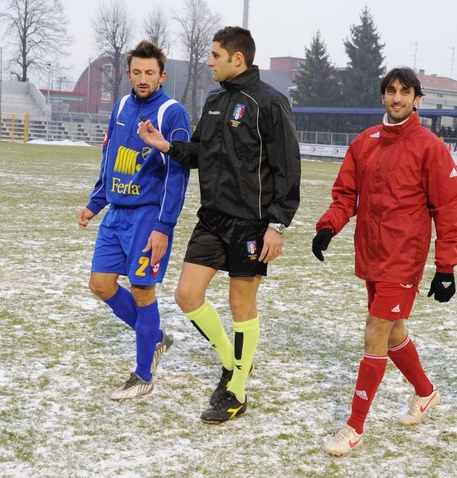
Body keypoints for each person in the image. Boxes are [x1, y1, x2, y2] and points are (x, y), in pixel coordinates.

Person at [139, 26, 300, 423]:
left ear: (237, 59)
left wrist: (277, 225)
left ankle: (237, 390)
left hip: (252, 225)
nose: (208, 61)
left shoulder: (270, 103)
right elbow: (200, 153)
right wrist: (166, 146)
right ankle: (233, 363)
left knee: (240, 304)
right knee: (187, 295)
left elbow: (287, 168)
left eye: (214, 55)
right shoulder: (213, 100)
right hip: (211, 219)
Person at [313, 67, 457, 456]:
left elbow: (449, 207)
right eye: (391, 91)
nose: (397, 98)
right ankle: (426, 392)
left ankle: (354, 427)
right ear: (383, 97)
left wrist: (445, 266)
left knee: (375, 331)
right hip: (371, 255)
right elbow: (346, 194)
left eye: (405, 92)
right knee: (394, 331)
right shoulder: (365, 142)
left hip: (404, 259)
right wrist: (328, 227)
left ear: (417, 99)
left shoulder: (430, 147)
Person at [77, 41, 191, 401]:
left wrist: (163, 227)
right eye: (137, 72)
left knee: (143, 290)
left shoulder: (173, 113)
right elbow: (109, 157)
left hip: (148, 215)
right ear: (128, 74)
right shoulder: (122, 106)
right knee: (101, 284)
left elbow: (178, 174)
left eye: (150, 73)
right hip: (116, 213)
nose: (143, 79)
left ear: (162, 75)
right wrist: (96, 203)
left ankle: (143, 375)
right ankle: (155, 337)